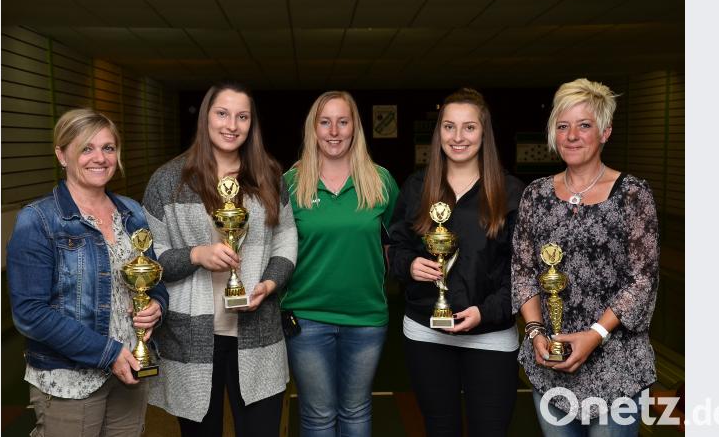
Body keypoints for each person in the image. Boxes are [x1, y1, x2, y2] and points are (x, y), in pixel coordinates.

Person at [142, 82, 297, 437]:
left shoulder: (269, 175)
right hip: (191, 336)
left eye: (242, 116)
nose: (232, 125)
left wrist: (271, 282)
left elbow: (286, 235)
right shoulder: (168, 181)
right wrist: (197, 255)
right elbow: (151, 256)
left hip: (258, 331)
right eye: (222, 114)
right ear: (206, 118)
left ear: (251, 124)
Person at [7, 108, 169, 436]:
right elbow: (29, 313)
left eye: (108, 148)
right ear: (62, 154)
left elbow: (155, 280)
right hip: (70, 381)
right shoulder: (38, 220)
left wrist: (157, 307)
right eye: (86, 148)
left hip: (130, 373)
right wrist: (107, 353)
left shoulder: (132, 212)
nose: (100, 158)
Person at [511, 78, 659, 436]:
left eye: (584, 125)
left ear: (605, 132)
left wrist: (594, 334)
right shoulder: (536, 195)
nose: (572, 135)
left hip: (617, 367)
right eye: (563, 126)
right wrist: (534, 332)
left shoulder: (633, 194)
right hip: (551, 365)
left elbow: (643, 279)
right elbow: (522, 269)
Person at [388, 88, 524, 437]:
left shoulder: (510, 192)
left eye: (469, 127)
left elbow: (523, 271)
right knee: (440, 428)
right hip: (426, 331)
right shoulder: (418, 187)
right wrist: (410, 265)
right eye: (449, 127)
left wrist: (487, 311)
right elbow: (395, 246)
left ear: (484, 132)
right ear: (439, 133)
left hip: (490, 335)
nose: (458, 137)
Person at [281, 90, 399, 437]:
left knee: (356, 410)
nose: (334, 131)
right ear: (313, 129)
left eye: (342, 122)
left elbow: (395, 244)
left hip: (366, 318)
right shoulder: (291, 183)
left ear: (354, 128)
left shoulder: (380, 181)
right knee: (317, 416)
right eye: (325, 122)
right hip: (307, 319)